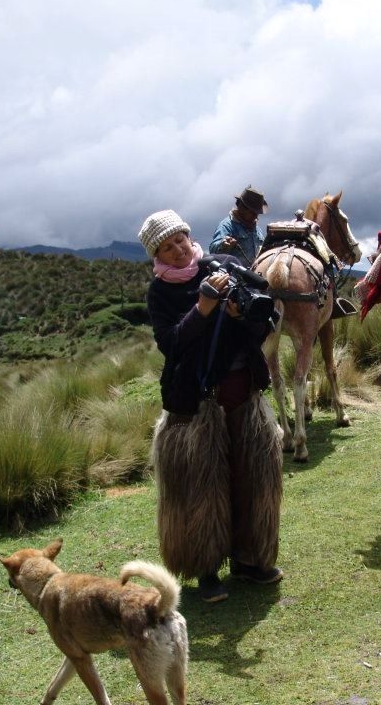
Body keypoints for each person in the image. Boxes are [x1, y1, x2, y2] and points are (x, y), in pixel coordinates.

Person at [138, 209, 284, 603]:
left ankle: (250, 558)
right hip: (197, 403)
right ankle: (206, 568)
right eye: (167, 248)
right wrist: (202, 308)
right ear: (158, 256)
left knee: (251, 477)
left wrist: (241, 315)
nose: (178, 250)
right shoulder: (160, 293)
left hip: (243, 393)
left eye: (180, 240)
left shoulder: (226, 266)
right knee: (202, 487)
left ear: (189, 236)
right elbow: (171, 343)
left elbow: (263, 324)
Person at [209, 185, 268, 266]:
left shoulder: (258, 231)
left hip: (254, 275)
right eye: (253, 212)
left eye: (257, 213)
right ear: (242, 207)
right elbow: (213, 250)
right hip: (233, 276)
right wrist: (223, 245)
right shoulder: (227, 226)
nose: (256, 216)